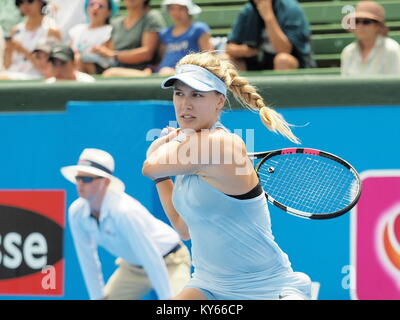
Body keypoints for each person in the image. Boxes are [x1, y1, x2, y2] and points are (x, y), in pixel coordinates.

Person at [142, 51, 312, 300]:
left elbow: (149, 166)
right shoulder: (187, 148)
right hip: (208, 285)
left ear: (219, 102)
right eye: (179, 93)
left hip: (268, 287)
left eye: (197, 95)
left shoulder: (222, 145)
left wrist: (163, 149)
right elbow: (184, 228)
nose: (185, 104)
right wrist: (161, 178)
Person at [61, 148, 191, 300]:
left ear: (106, 182)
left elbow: (151, 258)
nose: (80, 184)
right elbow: (87, 259)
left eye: (87, 179)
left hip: (171, 261)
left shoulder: (124, 212)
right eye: (78, 178)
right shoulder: (76, 212)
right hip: (131, 268)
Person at [225, 0, 315, 71]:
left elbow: (285, 50)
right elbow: (229, 48)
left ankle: (280, 94)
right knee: (225, 60)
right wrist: (246, 50)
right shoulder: (248, 10)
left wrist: (268, 17)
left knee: (282, 60)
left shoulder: (290, 8)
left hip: (292, 64)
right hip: (256, 62)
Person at [93, 0, 166, 77]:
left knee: (111, 73)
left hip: (143, 70)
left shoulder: (151, 17)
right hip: (114, 68)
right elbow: (109, 49)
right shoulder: (116, 22)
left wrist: (114, 55)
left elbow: (147, 54)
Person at [2, 0, 62, 80]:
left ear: (41, 2)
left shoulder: (51, 30)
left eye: (30, 1)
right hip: (11, 76)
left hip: (36, 78)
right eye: (21, 2)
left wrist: (23, 50)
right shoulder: (15, 30)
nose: (25, 5)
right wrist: (8, 50)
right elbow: (7, 65)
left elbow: (51, 68)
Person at [341, 0, 400, 76]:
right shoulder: (348, 52)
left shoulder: (392, 50)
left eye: (366, 22)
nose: (360, 26)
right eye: (356, 21)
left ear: (377, 26)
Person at [157, 0, 213, 76]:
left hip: (190, 73)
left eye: (181, 9)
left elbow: (208, 56)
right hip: (162, 73)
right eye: (172, 8)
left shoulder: (199, 29)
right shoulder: (164, 33)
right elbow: (162, 55)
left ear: (189, 10)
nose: (176, 13)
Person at [69, 0, 119, 74]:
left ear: (109, 12)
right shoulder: (77, 29)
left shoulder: (110, 30)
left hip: (99, 68)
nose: (95, 8)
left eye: (100, 6)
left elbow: (109, 56)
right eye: (92, 4)